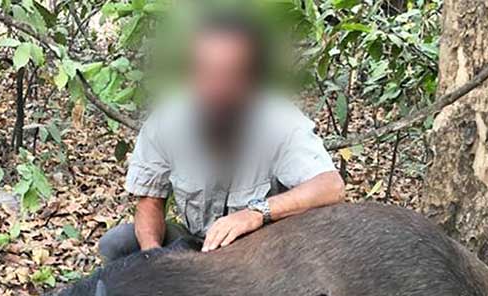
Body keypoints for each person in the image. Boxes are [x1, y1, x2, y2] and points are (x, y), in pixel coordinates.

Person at [99, 12, 346, 263]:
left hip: (262, 251)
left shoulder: (279, 121)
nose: (216, 88)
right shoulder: (167, 122)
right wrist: (153, 257)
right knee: (119, 243)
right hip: (199, 243)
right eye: (205, 72)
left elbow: (330, 186)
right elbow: (150, 202)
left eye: (230, 74)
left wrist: (256, 214)